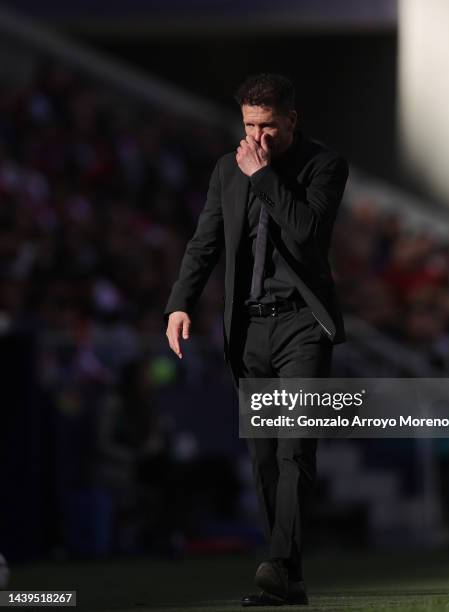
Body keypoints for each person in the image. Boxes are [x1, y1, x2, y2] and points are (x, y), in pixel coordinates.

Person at [164, 73, 349, 606]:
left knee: (295, 450)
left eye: (267, 126)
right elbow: (205, 241)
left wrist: (265, 175)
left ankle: (280, 564)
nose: (257, 136)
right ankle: (286, 578)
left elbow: (306, 234)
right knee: (264, 458)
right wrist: (180, 302)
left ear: (291, 120)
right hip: (248, 328)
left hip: (301, 326)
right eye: (249, 125)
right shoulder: (228, 168)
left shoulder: (324, 166)